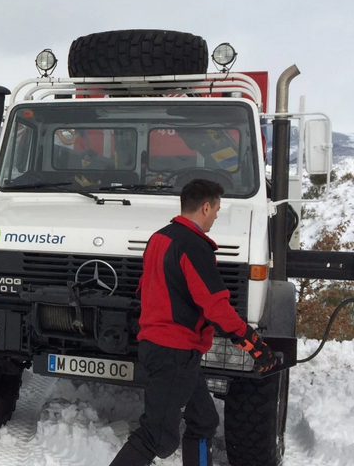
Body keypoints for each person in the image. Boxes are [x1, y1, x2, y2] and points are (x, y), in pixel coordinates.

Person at [110, 179, 278, 466]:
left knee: (203, 420)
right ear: (205, 206)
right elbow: (215, 305)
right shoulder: (194, 246)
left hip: (163, 347)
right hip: (174, 351)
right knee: (157, 434)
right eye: (216, 210)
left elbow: (145, 288)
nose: (215, 216)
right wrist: (253, 343)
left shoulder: (160, 238)